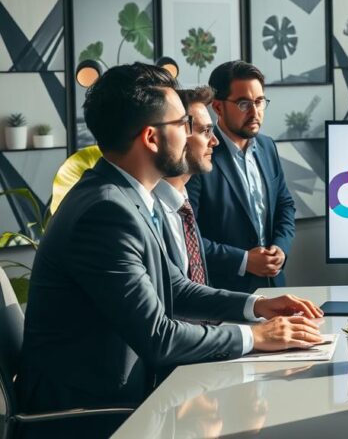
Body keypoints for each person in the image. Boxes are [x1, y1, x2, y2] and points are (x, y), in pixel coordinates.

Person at [16, 64, 323, 427]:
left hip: (125, 397)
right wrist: (255, 336)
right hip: (92, 413)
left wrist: (257, 305)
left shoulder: (126, 198)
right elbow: (158, 337)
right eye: (184, 125)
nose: (195, 135)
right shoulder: (105, 213)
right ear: (151, 138)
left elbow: (174, 287)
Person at [187, 61, 295, 293]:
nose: (255, 112)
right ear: (217, 107)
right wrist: (244, 260)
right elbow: (188, 237)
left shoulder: (267, 147)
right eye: (244, 103)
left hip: (274, 287)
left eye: (259, 102)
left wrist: (281, 248)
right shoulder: (199, 155)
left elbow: (285, 205)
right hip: (223, 293)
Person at [154, 86, 218, 284]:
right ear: (180, 132)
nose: (214, 141)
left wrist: (256, 305)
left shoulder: (183, 203)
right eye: (205, 131)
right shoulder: (148, 207)